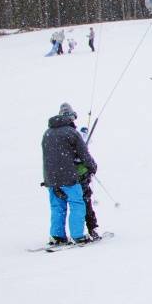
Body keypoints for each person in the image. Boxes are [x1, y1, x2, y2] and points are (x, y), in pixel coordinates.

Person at [41, 103, 97, 245]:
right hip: (68, 177)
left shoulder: (47, 133)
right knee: (77, 204)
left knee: (57, 206)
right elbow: (84, 154)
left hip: (50, 178)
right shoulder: (72, 133)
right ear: (71, 118)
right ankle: (78, 236)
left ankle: (57, 236)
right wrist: (92, 166)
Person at [77, 125, 101, 238]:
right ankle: (91, 230)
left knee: (75, 205)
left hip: (67, 177)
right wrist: (92, 167)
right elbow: (85, 156)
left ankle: (61, 235)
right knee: (85, 202)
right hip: (80, 176)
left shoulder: (63, 135)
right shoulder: (74, 135)